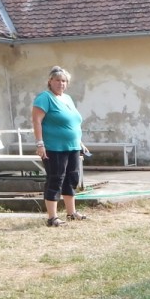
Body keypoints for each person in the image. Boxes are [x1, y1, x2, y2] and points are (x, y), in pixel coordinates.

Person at [32, 66, 88, 227]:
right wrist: (40, 143)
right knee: (56, 179)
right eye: (57, 80)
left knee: (72, 178)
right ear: (50, 81)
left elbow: (73, 122)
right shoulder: (45, 98)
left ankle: (71, 212)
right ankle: (52, 217)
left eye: (64, 81)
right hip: (54, 148)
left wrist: (79, 142)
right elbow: (36, 121)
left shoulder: (68, 98)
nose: (60, 83)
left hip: (72, 146)